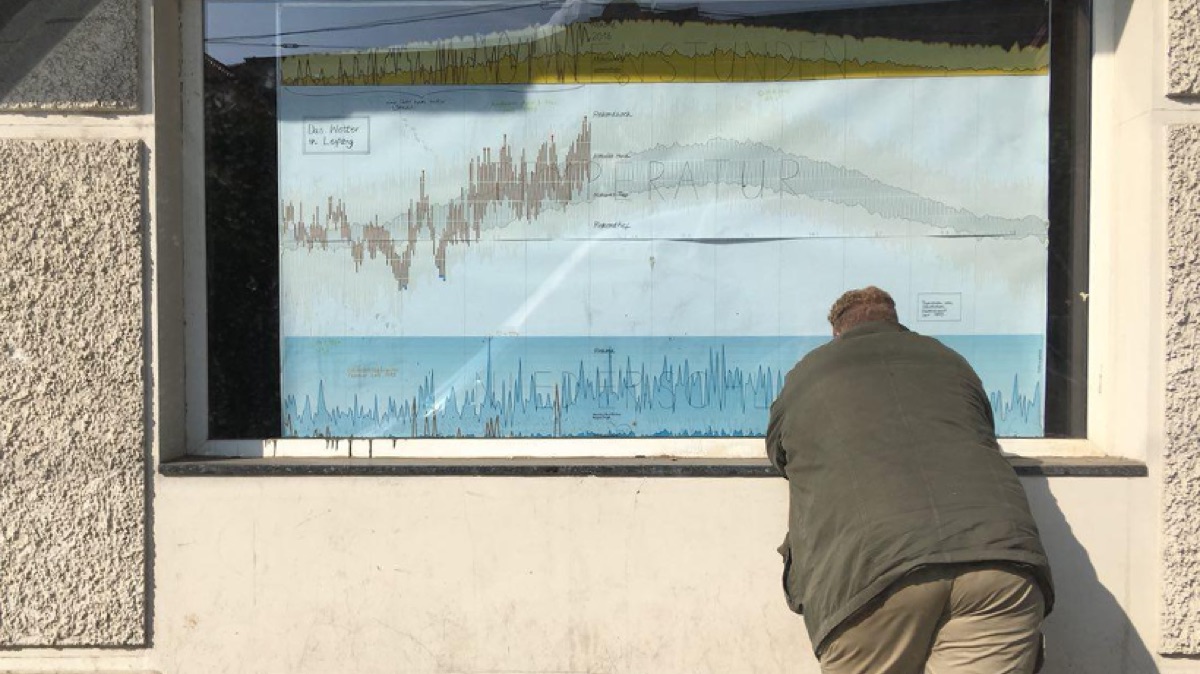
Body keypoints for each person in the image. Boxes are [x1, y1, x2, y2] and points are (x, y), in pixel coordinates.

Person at [766, 286, 1054, 674]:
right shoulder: (950, 360)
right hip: (1000, 563)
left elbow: (780, 454)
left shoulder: (808, 373)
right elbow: (980, 427)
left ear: (837, 331)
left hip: (874, 572)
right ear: (895, 321)